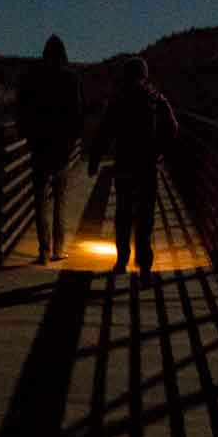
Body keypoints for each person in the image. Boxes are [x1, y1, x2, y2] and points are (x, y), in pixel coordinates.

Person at [87, 56, 178, 282]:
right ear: (145, 74)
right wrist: (161, 151)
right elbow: (173, 129)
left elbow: (105, 131)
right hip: (148, 166)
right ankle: (145, 265)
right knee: (145, 216)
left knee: (124, 213)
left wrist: (95, 159)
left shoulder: (119, 99)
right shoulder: (156, 98)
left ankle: (121, 261)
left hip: (125, 165)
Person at [16, 34, 85, 263]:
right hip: (62, 148)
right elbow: (77, 114)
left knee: (40, 199)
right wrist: (72, 138)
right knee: (60, 199)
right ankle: (58, 248)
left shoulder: (32, 78)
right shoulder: (71, 79)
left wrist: (27, 135)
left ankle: (43, 250)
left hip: (39, 146)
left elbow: (21, 111)